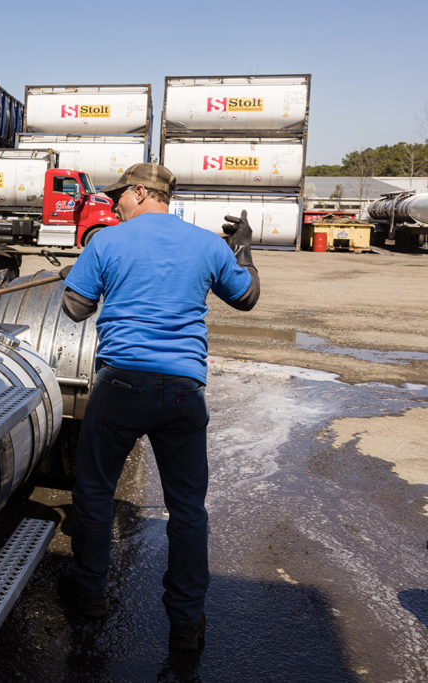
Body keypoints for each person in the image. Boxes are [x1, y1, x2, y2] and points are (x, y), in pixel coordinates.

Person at [57, 163, 259, 652]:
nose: (114, 203)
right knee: (187, 510)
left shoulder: (106, 241)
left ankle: (89, 596)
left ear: (142, 192)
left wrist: (82, 276)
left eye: (120, 196)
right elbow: (247, 297)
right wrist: (244, 251)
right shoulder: (208, 244)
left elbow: (75, 309)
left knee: (95, 492)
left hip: (121, 385)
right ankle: (187, 623)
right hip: (184, 392)